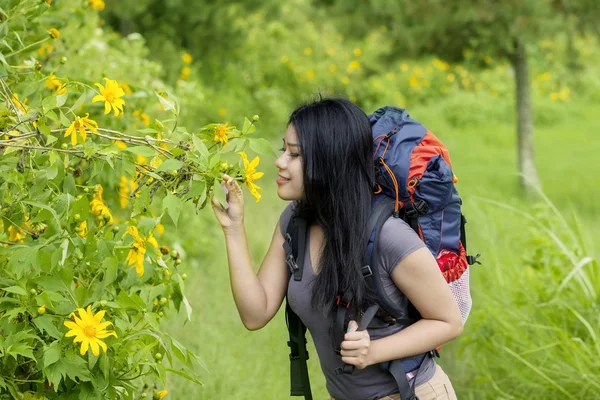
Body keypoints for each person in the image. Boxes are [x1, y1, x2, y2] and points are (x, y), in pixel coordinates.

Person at [211, 97, 463, 400]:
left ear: (330, 162)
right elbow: (256, 313)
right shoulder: (296, 220)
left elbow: (448, 321)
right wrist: (233, 229)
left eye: (294, 155)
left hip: (412, 394)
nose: (280, 162)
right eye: (284, 150)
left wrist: (374, 350)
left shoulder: (388, 237)